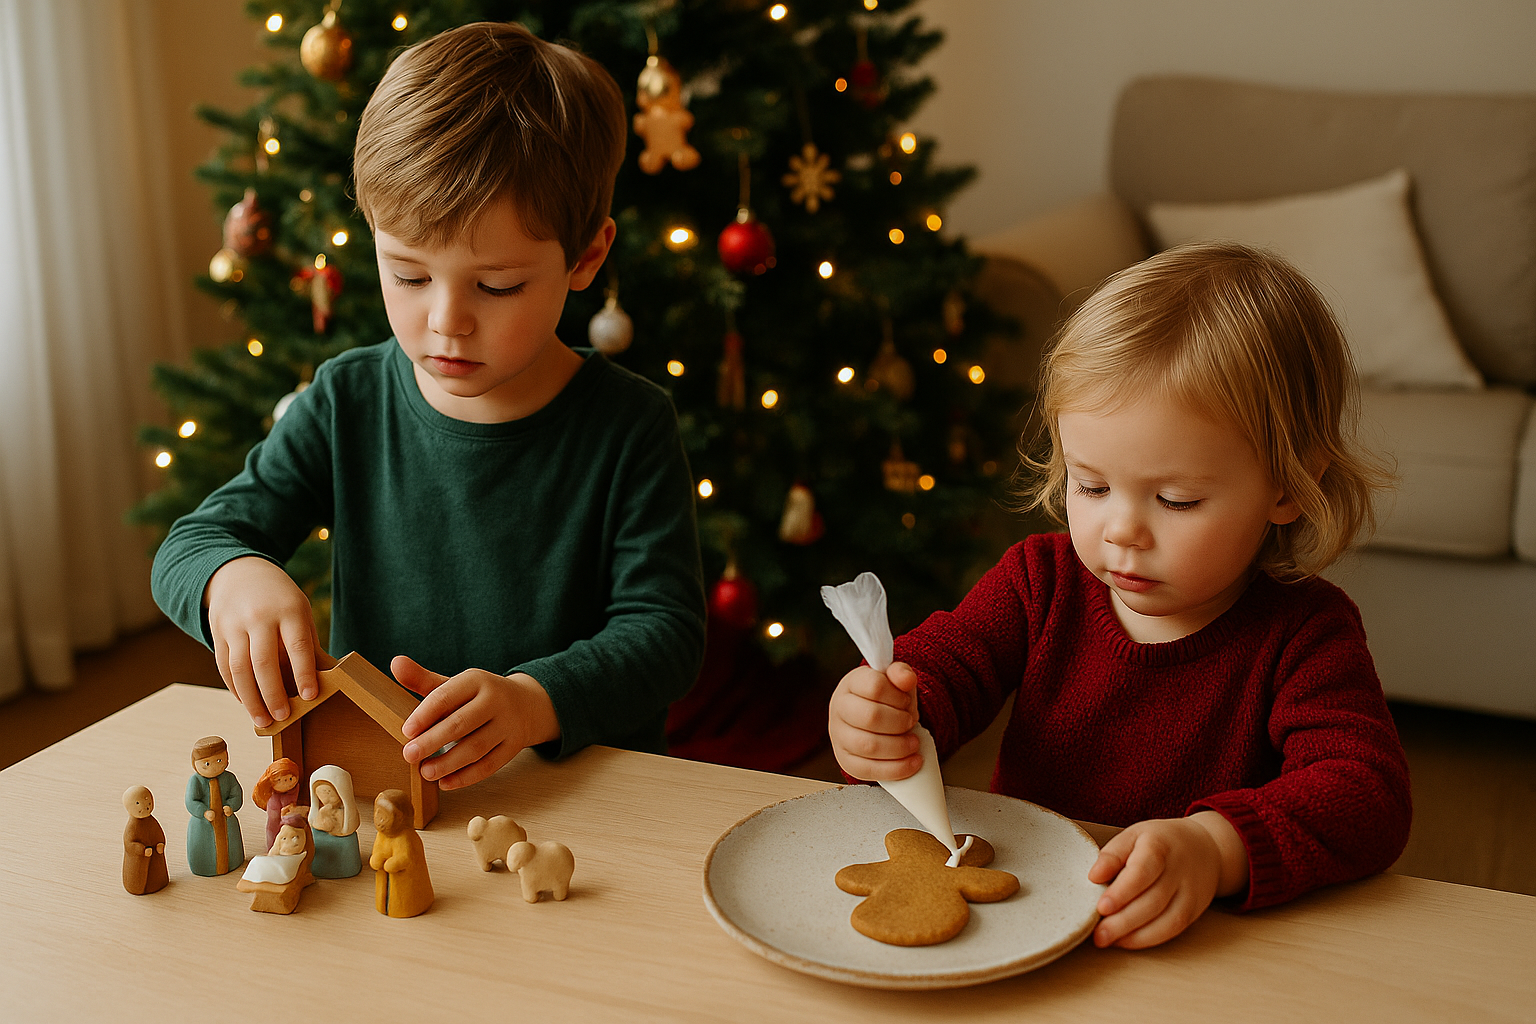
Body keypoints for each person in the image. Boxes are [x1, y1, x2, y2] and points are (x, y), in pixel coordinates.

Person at [150, 22, 706, 791]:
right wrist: (232, 575)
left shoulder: (630, 426)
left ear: (586, 258)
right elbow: (191, 543)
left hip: (580, 795)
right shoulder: (346, 400)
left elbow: (666, 634)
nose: (447, 321)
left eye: (497, 285)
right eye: (409, 275)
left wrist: (534, 702)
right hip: (390, 792)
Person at [827, 242, 1412, 950]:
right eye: (1092, 485)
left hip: (1200, 941)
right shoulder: (1039, 581)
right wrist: (883, 716)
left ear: (1288, 487)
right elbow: (947, 668)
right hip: (1029, 915)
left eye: (1176, 499)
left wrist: (1216, 847)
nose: (1122, 531)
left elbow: (1367, 794)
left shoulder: (1307, 633)